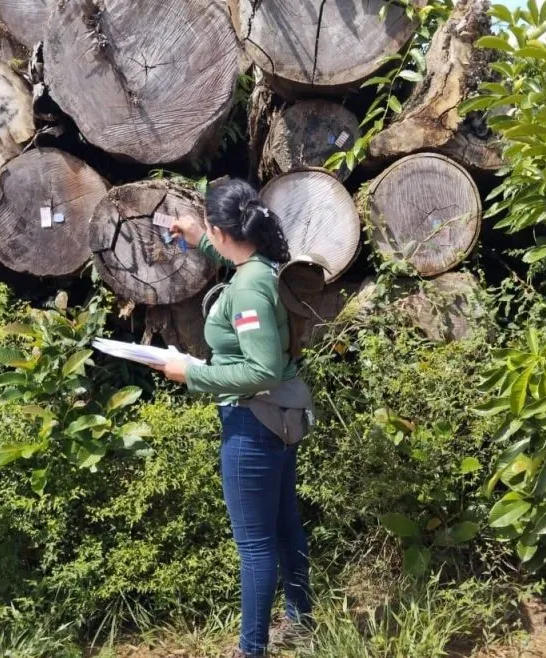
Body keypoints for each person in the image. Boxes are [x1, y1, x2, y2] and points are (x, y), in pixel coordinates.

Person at [157, 178, 314, 657]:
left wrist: (192, 373)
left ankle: (251, 649)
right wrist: (198, 237)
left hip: (254, 422)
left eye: (209, 228)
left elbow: (262, 369)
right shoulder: (263, 266)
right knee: (284, 526)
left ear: (222, 230)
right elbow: (238, 262)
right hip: (279, 415)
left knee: (255, 545)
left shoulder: (247, 291)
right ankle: (301, 622)